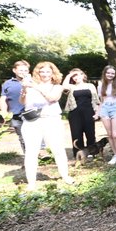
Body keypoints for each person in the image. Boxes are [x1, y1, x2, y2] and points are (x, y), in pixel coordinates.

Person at [20, 62, 74, 190]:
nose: (44, 74)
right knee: (31, 152)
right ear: (37, 73)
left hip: (51, 120)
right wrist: (23, 90)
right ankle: (31, 182)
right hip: (32, 121)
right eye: (42, 72)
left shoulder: (57, 87)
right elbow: (22, 102)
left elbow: (52, 98)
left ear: (53, 74)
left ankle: (65, 176)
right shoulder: (30, 85)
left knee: (58, 149)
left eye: (48, 72)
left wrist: (36, 87)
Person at [62, 68, 100, 158]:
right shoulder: (71, 87)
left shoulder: (90, 85)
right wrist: (69, 75)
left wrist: (97, 113)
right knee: (76, 133)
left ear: (83, 75)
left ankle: (91, 152)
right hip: (75, 112)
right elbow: (64, 86)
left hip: (89, 111)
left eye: (77, 75)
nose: (76, 77)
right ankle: (79, 153)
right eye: (74, 76)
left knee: (90, 133)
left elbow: (96, 100)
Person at [97, 65, 116, 165]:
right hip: (105, 108)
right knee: (109, 134)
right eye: (108, 73)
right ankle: (114, 155)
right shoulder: (101, 85)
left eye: (112, 73)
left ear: (115, 75)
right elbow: (101, 100)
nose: (110, 75)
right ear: (104, 73)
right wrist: (98, 112)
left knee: (115, 134)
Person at [0, 60, 30, 152]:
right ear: (14, 70)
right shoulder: (7, 83)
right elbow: (2, 99)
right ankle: (27, 159)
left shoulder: (33, 82)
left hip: (31, 113)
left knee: (34, 135)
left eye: (25, 70)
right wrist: (4, 112)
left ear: (28, 71)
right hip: (15, 115)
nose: (23, 72)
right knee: (22, 137)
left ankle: (40, 155)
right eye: (20, 70)